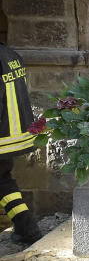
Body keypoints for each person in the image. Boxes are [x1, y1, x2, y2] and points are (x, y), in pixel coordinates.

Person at [0, 43, 41, 243]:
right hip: (14, 135)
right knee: (3, 182)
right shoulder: (11, 55)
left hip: (2, 136)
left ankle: (27, 227)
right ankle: (27, 228)